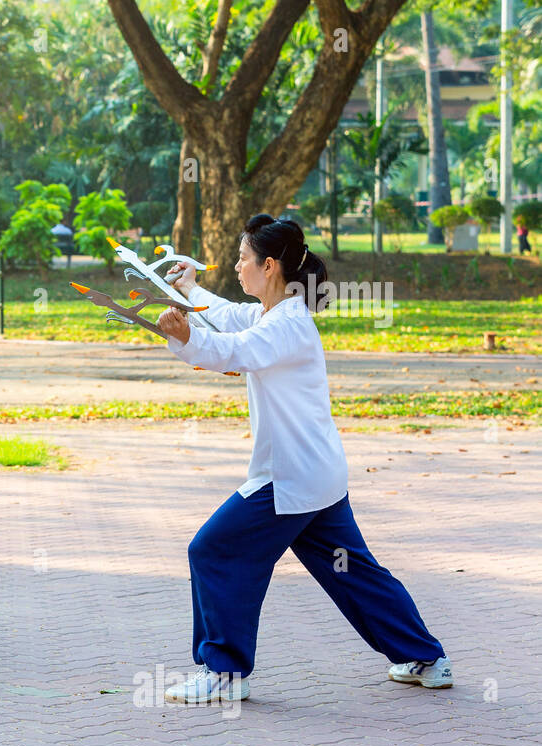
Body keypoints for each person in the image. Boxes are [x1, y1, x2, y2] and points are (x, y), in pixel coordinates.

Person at [154, 214, 452, 703]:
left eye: (243, 259)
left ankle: (224, 674)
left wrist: (185, 338)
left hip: (290, 480)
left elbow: (233, 351)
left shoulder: (287, 326)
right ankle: (426, 658)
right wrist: (188, 291)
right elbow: (228, 317)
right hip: (317, 478)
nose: (236, 266)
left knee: (213, 551)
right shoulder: (274, 315)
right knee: (353, 572)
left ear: (269, 266)